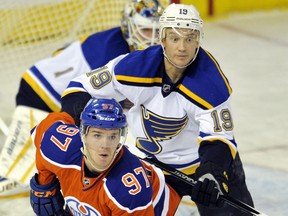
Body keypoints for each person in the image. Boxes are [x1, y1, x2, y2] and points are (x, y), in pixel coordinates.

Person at [61, 3, 254, 216]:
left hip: (202, 167)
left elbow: (220, 139)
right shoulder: (134, 67)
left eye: (189, 38)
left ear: (198, 40)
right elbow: (79, 87)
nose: (182, 47)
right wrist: (78, 123)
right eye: (175, 38)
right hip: (151, 166)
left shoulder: (211, 84)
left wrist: (213, 173)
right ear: (162, 39)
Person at [0, 0, 164, 197]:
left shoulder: (129, 51)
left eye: (157, 31)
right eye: (146, 30)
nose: (153, 38)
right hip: (40, 97)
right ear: (129, 27)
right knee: (17, 175)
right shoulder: (109, 52)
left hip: (70, 100)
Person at [30, 97, 180, 215]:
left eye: (113, 136)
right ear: (83, 134)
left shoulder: (129, 191)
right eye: (97, 135)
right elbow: (44, 129)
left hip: (153, 207)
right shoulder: (57, 145)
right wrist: (45, 181)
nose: (105, 145)